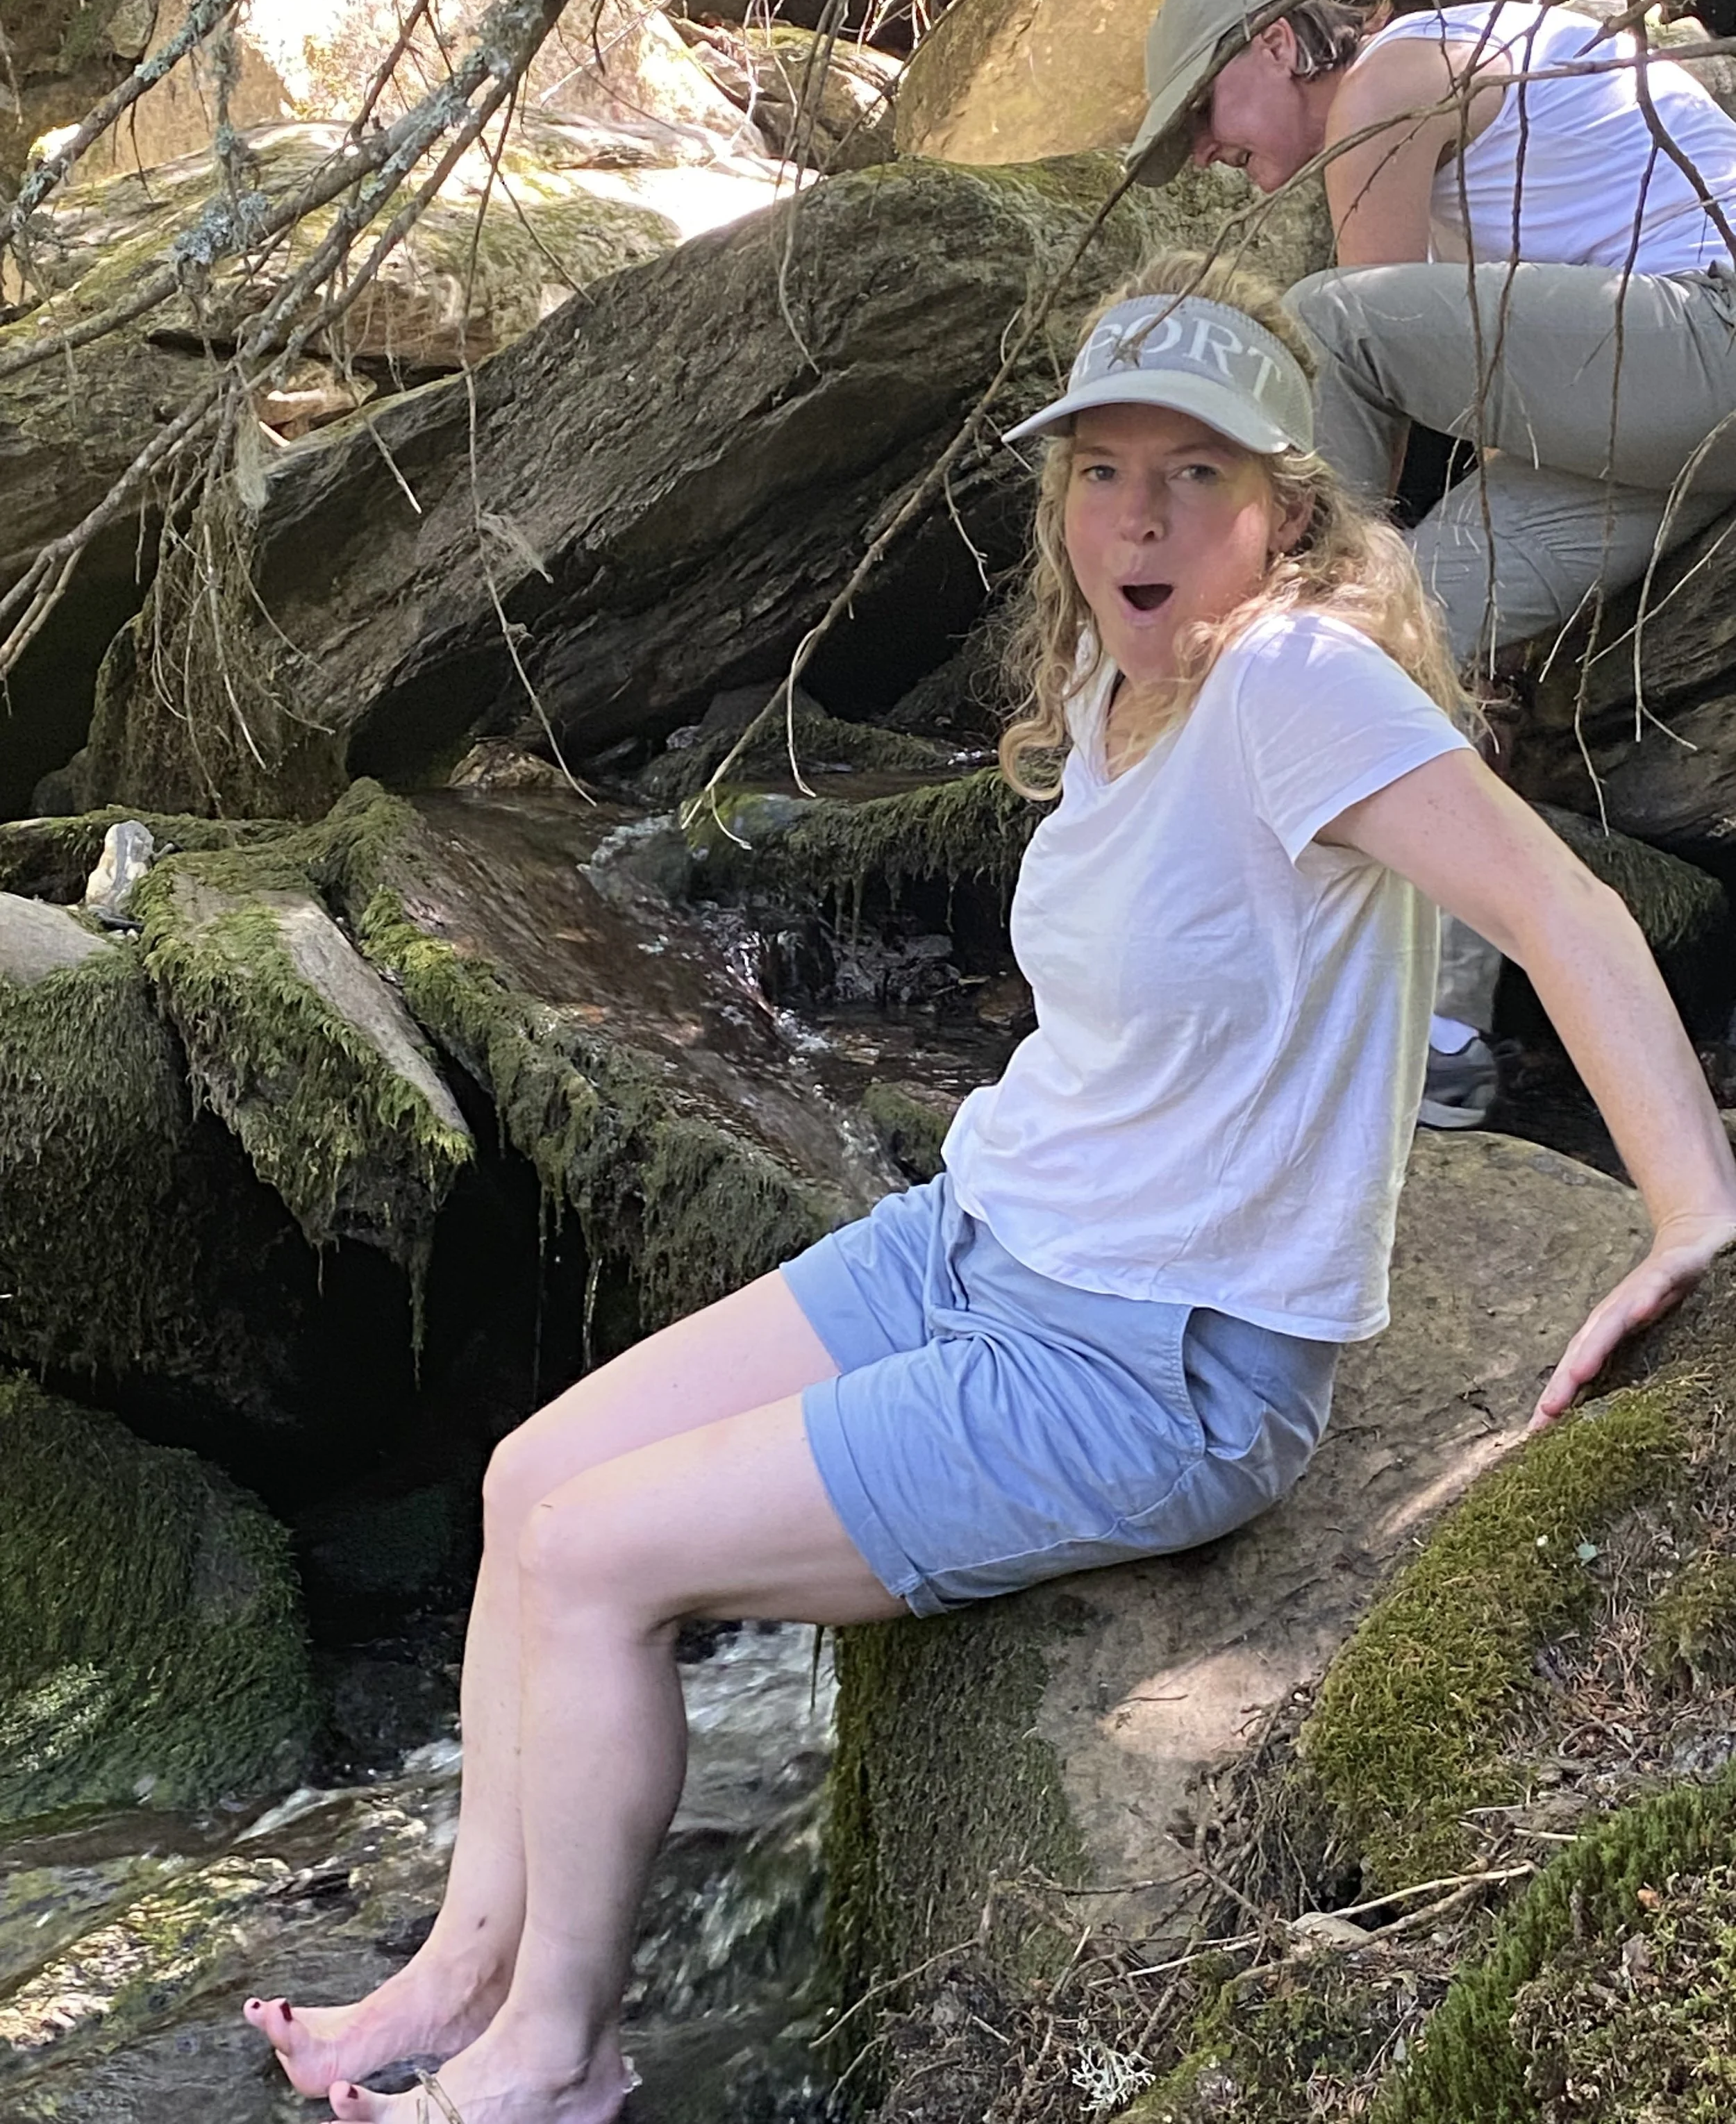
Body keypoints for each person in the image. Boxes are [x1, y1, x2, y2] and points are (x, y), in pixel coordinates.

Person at [242, 252, 1736, 2124]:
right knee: (531, 1477)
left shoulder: (1294, 679)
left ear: (1278, 506)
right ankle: (461, 1966)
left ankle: (557, 2055)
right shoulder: (1118, 707)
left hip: (1146, 1360)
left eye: (1196, 474)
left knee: (593, 1560)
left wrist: (1687, 1207)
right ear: (1058, 506)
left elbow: (1563, 908)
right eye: (1104, 470)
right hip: (975, 1241)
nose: (1142, 513)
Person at [1129, 0, 1736, 1128]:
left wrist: (1294, 599)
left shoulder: (1388, 80)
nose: (1204, 151)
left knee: (1322, 332)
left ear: (1274, 41)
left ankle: (1284, 678)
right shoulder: (1434, 94)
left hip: (1711, 331)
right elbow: (1506, 360)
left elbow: (1377, 357)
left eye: (1201, 112)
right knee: (1415, 629)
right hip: (1667, 416)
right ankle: (1440, 1040)